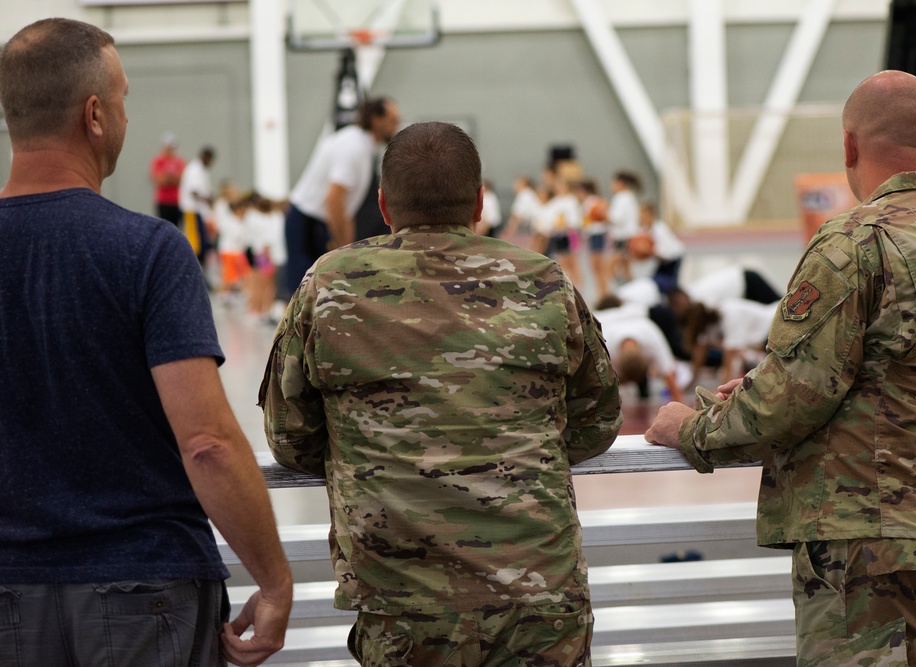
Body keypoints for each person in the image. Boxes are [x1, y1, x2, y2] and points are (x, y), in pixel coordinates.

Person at [645, 70, 916, 666]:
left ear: (849, 147)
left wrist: (692, 428)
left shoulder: (855, 243)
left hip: (876, 541)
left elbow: (795, 396)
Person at [260, 121, 622, 665]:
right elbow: (597, 423)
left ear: (382, 205)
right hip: (539, 597)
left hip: (403, 605)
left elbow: (290, 438)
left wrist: (368, 446)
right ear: (480, 202)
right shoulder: (544, 281)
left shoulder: (328, 285)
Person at [0, 18, 292, 667]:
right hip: (143, 589)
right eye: (125, 99)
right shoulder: (147, 251)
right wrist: (273, 579)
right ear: (95, 114)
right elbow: (208, 441)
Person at [282, 97, 401, 296]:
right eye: (393, 120)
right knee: (305, 294)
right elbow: (334, 199)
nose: (396, 127)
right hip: (307, 224)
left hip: (315, 222)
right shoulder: (353, 147)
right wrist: (344, 248)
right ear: (376, 119)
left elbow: (344, 207)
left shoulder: (362, 146)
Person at [179, 145, 217, 269]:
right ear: (206, 157)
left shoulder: (201, 170)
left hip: (198, 211)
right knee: (194, 241)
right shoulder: (194, 170)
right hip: (191, 210)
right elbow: (193, 191)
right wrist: (208, 199)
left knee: (201, 242)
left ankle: (199, 268)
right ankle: (192, 267)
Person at [148, 131, 185, 227]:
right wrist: (173, 178)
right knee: (163, 227)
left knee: (176, 228)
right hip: (163, 201)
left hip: (177, 201)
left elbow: (181, 180)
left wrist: (167, 177)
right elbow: (159, 180)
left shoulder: (179, 161)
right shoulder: (158, 161)